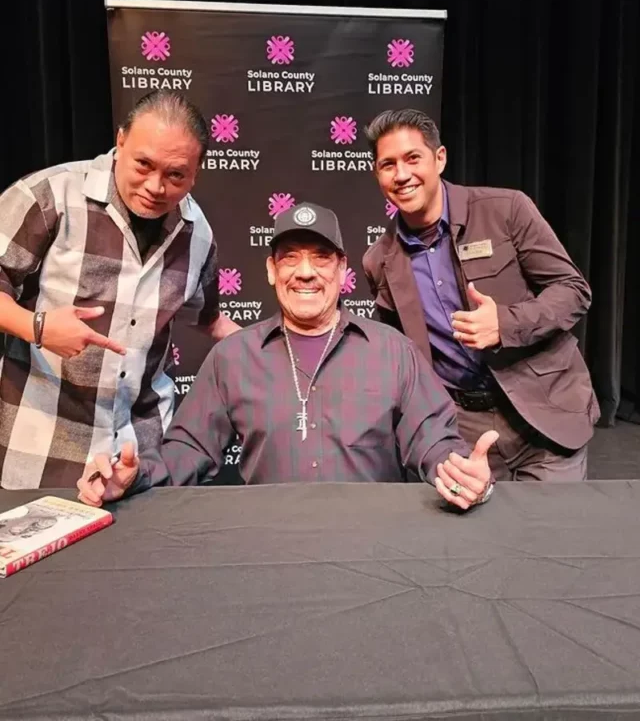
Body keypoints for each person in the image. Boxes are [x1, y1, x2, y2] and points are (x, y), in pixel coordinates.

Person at [77, 202, 499, 512]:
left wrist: (458, 471)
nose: (305, 272)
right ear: (271, 270)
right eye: (290, 258)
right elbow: (188, 450)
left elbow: (433, 438)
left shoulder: (392, 350)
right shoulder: (233, 357)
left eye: (321, 258)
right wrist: (134, 477)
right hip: (267, 551)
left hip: (374, 547)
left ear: (342, 270)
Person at [0, 89, 239, 489]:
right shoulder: (51, 195)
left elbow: (209, 320)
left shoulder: (196, 233)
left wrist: (279, 350)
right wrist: (36, 327)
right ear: (121, 140)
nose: (155, 187)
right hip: (39, 448)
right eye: (143, 164)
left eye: (175, 175)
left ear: (196, 173)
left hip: (138, 459)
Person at [362, 108, 600, 481]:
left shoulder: (505, 210)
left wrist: (506, 324)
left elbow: (573, 291)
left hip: (544, 412)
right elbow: (401, 355)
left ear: (440, 158)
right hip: (463, 430)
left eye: (413, 158)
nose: (402, 174)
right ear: (377, 174)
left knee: (552, 520)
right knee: (481, 522)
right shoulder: (380, 260)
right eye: (388, 165)